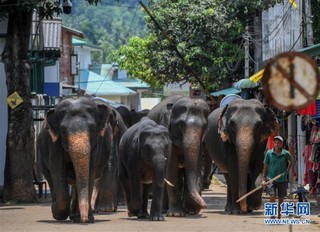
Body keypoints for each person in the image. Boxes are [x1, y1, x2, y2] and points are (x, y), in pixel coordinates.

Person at [262, 135, 293, 219]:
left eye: (278, 143)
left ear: (282, 144)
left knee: (281, 198)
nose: (276, 144)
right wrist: (263, 179)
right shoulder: (269, 153)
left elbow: (291, 160)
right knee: (272, 196)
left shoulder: (285, 153)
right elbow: (265, 166)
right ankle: (272, 214)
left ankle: (279, 215)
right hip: (271, 179)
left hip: (282, 179)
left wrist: (287, 170)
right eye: (275, 143)